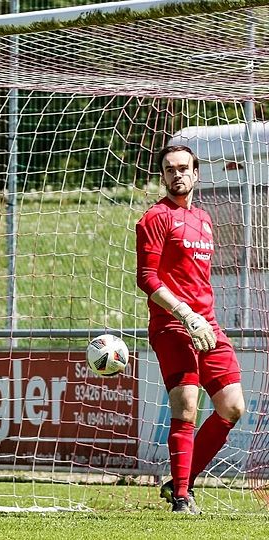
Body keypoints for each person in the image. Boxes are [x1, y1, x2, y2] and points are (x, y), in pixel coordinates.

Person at [136, 144, 246, 514]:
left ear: (196, 174)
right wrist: (183, 312)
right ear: (163, 176)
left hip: (207, 323)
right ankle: (182, 497)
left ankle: (178, 482)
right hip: (172, 323)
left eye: (183, 168)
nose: (177, 174)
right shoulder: (154, 218)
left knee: (232, 407)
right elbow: (147, 277)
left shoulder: (204, 218)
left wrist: (201, 316)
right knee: (185, 405)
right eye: (169, 169)